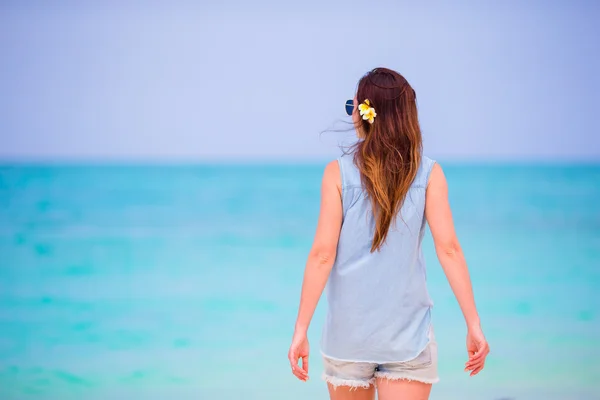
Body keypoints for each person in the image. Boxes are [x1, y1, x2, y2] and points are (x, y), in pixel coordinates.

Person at [287, 67, 490, 400]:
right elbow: (449, 249)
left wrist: (300, 329)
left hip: (347, 338)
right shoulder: (429, 174)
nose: (352, 115)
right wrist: (474, 323)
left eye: (354, 107)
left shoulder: (337, 174)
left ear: (367, 115)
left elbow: (322, 255)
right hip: (408, 338)